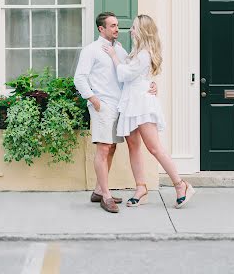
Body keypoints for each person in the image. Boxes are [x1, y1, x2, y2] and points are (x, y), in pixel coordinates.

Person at [104, 14, 195, 209]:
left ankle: (181, 185)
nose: (131, 30)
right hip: (130, 103)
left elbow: (125, 74)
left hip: (142, 105)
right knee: (133, 147)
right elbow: (137, 77)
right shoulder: (136, 52)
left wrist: (113, 56)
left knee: (154, 148)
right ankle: (141, 188)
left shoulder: (144, 54)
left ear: (143, 31)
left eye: (135, 27)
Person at [74, 12, 156, 214]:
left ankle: (98, 190)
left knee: (111, 149)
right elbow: (80, 78)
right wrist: (93, 99)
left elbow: (132, 74)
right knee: (103, 149)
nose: (117, 29)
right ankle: (106, 196)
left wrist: (152, 85)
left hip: (121, 106)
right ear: (101, 29)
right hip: (103, 106)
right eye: (112, 25)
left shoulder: (120, 50)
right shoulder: (91, 50)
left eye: (117, 25)